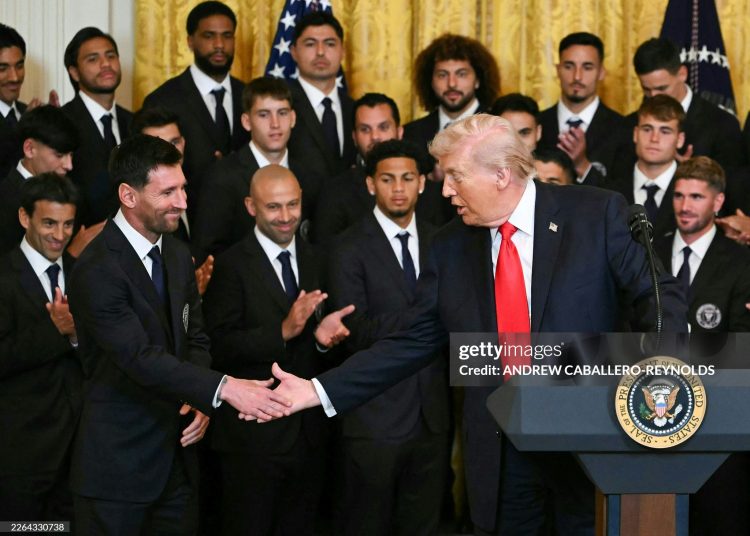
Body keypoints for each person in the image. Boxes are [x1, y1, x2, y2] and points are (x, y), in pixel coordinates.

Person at [267, 114, 687, 535]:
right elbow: (410, 341)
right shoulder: (450, 246)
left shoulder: (595, 214)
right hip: (503, 452)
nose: (446, 190)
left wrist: (660, 375)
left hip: (588, 442)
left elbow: (657, 295)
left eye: (456, 177)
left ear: (502, 175)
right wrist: (316, 391)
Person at [66, 134, 291, 534]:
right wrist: (221, 388)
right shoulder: (97, 267)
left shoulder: (175, 252)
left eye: (183, 188)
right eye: (168, 191)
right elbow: (140, 357)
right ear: (128, 195)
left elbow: (197, 338)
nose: (183, 202)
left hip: (180, 463)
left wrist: (201, 397)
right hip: (119, 470)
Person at [202, 164, 353, 535]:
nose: (285, 217)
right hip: (251, 439)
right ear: (251, 206)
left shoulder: (319, 257)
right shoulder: (230, 264)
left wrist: (321, 341)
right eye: (273, 207)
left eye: (293, 205)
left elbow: (321, 353)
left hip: (310, 434)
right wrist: (282, 331)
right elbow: (216, 346)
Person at [327, 139, 450, 535]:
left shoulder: (445, 242)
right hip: (373, 419)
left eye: (407, 178)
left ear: (423, 183)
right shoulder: (347, 247)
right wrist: (429, 319)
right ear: (369, 184)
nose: (398, 187)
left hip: (433, 416)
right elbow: (356, 330)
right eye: (387, 179)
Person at [0, 173, 82, 524]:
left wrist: (78, 336)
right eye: (49, 223)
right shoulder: (3, 276)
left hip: (79, 449)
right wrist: (57, 331)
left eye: (67, 224)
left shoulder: (85, 274)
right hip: (21, 451)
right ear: (24, 218)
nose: (59, 235)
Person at [142, 1, 249, 219]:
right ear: (190, 41)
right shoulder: (163, 99)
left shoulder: (248, 96)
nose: (219, 44)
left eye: (227, 36)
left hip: (245, 223)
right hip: (187, 221)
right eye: (209, 36)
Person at [194, 76, 310, 258]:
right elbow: (209, 253)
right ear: (247, 121)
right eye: (264, 114)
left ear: (293, 118)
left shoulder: (309, 176)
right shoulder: (221, 178)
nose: (275, 124)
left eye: (282, 113)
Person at [405, 33, 500, 226]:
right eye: (442, 75)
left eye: (461, 74)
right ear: (430, 81)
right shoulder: (410, 134)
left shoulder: (498, 128)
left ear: (478, 79)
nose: (452, 84)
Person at [654, 156, 750, 332]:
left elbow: (741, 342)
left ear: (718, 202)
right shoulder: (650, 253)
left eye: (696, 197)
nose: (684, 207)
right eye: (678, 196)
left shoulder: (742, 263)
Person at [130, 105, 214, 295]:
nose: (169, 152)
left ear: (183, 142)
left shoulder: (205, 188)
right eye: (157, 145)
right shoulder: (134, 209)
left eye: (174, 142)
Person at [631, 37, 746, 169]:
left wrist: (692, 172)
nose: (653, 96)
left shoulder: (722, 125)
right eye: (646, 89)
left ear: (682, 74)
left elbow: (734, 185)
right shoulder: (631, 124)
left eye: (662, 88)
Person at [537, 32, 630, 185]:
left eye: (587, 67)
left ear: (601, 72)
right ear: (558, 70)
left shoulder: (622, 128)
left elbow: (622, 196)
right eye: (569, 66)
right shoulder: (537, 124)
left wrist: (582, 165)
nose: (577, 77)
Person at [312, 92, 404, 244]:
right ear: (354, 137)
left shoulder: (424, 187)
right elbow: (325, 255)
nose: (375, 136)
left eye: (383, 127)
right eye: (365, 129)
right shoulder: (334, 192)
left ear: (399, 132)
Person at [62, 27, 132, 226]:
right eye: (93, 59)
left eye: (111, 56)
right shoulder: (63, 121)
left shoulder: (134, 122)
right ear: (74, 72)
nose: (106, 64)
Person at [287, 11, 356, 205]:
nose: (320, 52)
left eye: (330, 43)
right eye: (310, 44)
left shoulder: (355, 109)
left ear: (342, 51)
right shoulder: (281, 107)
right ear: (293, 52)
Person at [604, 94, 685, 238]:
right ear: (635, 134)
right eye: (647, 129)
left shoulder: (694, 191)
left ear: (680, 140)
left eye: (665, 131)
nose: (654, 139)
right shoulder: (609, 189)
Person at [0, 105, 78, 255]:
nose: (69, 165)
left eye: (71, 155)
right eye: (60, 155)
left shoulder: (68, 191)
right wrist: (72, 254)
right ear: (29, 149)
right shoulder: (5, 200)